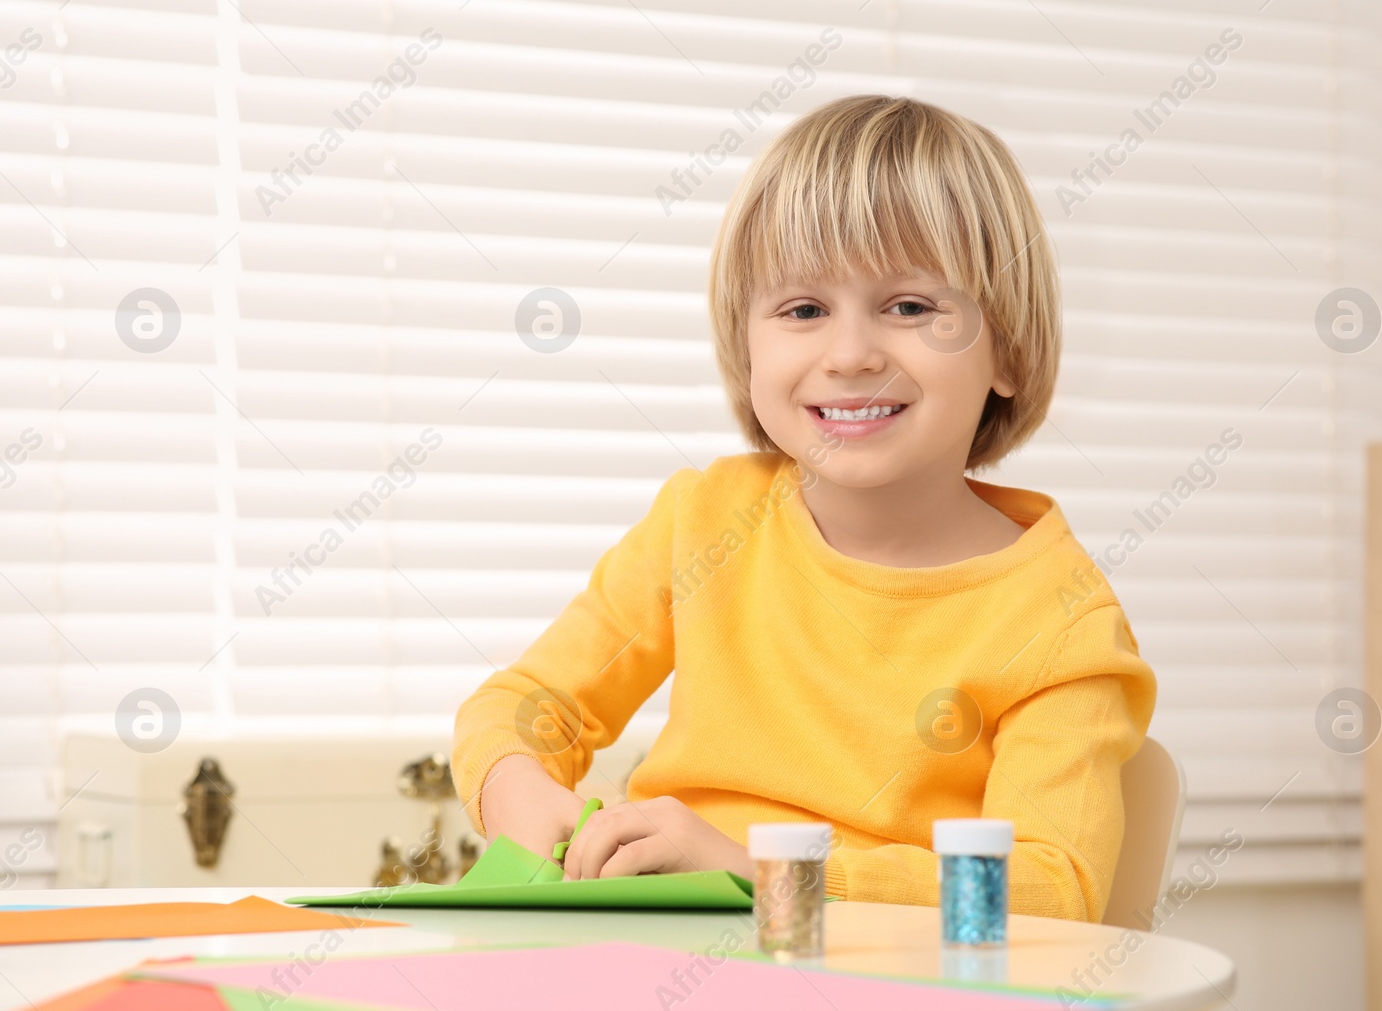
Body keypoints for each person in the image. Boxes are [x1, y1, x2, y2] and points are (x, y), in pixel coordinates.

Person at [452, 94, 1155, 922]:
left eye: (910, 307)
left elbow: (1050, 893)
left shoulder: (1060, 621)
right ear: (747, 346)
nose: (851, 354)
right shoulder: (704, 521)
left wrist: (770, 874)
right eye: (804, 310)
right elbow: (519, 708)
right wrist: (517, 792)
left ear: (1007, 345)